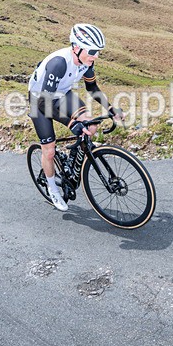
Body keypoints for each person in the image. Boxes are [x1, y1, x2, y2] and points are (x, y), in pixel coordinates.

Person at [28, 23, 123, 211]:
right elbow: (44, 103)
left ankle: (71, 163)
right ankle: (52, 188)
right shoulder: (59, 63)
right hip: (39, 100)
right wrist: (72, 124)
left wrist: (111, 108)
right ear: (77, 47)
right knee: (49, 150)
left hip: (62, 94)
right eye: (93, 51)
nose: (96, 56)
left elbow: (92, 88)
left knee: (91, 125)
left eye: (99, 52)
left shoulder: (87, 61)